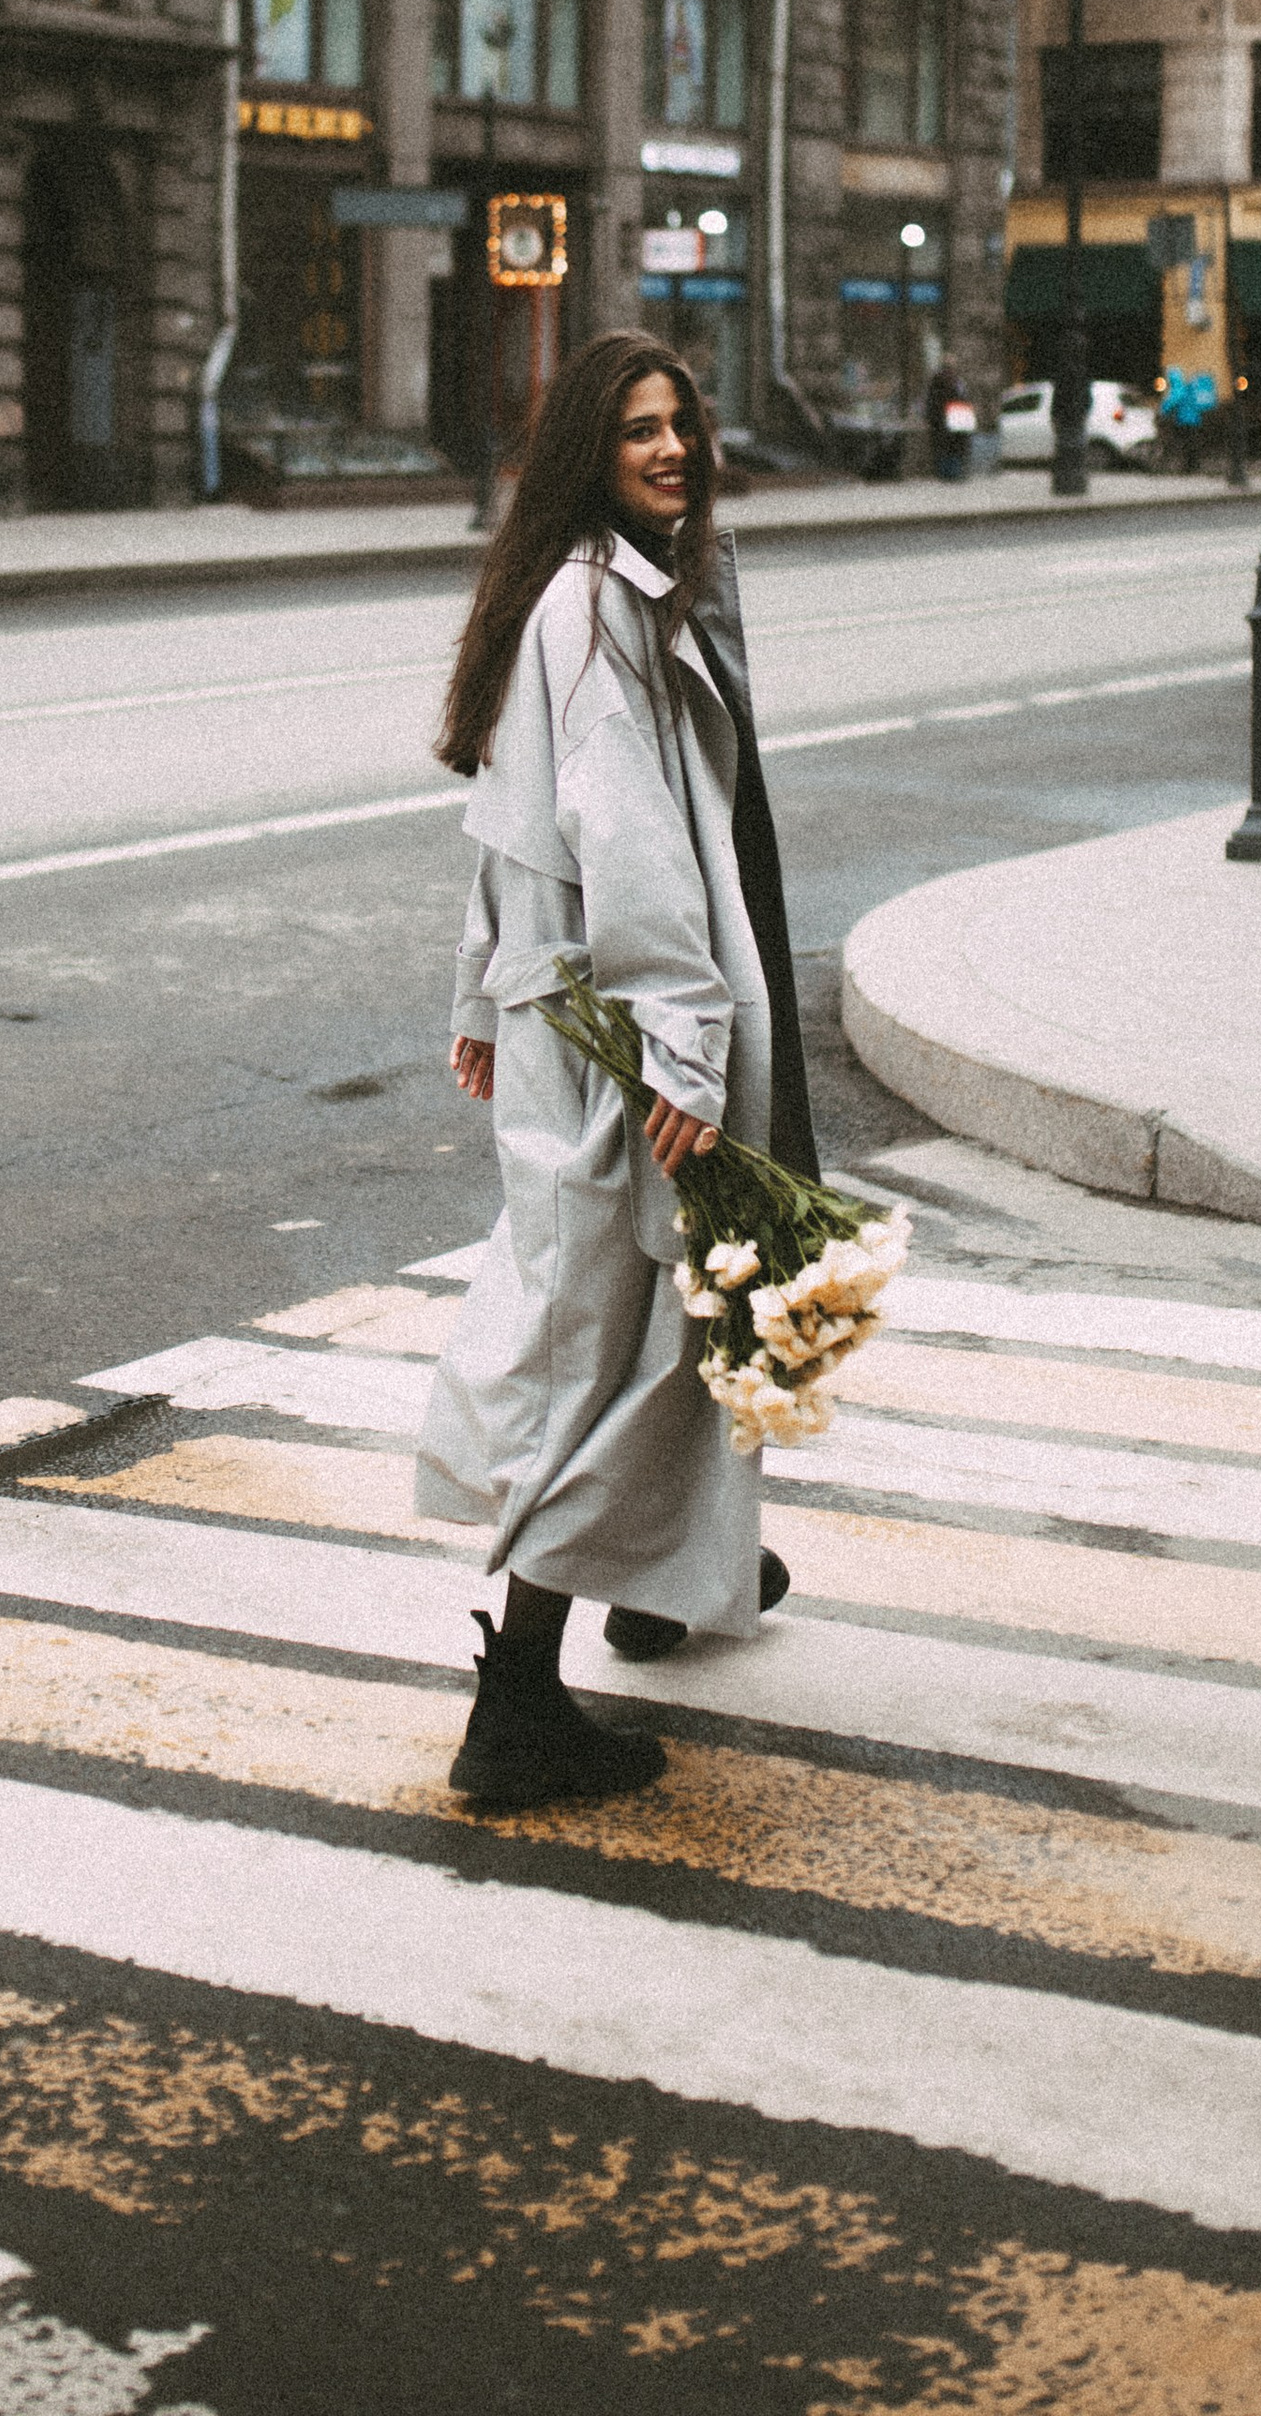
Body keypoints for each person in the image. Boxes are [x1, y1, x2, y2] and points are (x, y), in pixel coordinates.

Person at [419, 330, 803, 1814]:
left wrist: (474, 986)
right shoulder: (598, 613)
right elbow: (622, 849)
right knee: (612, 1348)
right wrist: (689, 1056)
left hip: (572, 1028)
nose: (671, 451)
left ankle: (684, 1574)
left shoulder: (592, 591)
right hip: (615, 1047)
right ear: (592, 450)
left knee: (651, 1331)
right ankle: (516, 1703)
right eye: (639, 430)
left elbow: (503, 824)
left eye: (684, 426)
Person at [924, 359, 975, 484]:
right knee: (953, 448)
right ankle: (952, 474)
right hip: (952, 419)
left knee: (946, 448)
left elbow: (931, 403)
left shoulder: (940, 382)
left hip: (947, 420)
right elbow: (962, 399)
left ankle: (947, 474)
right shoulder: (954, 383)